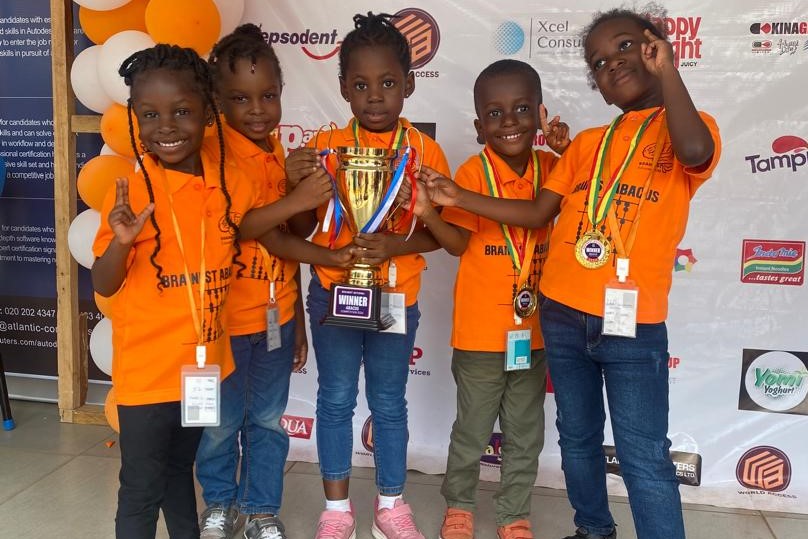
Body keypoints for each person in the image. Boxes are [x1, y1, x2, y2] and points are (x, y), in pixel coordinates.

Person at [423, 7, 721, 539]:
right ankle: (593, 529)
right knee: (577, 439)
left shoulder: (688, 132)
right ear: (598, 87)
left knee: (642, 452)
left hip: (632, 324)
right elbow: (539, 213)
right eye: (600, 61)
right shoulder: (586, 145)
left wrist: (669, 71)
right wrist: (453, 196)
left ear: (657, 47)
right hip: (559, 315)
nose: (614, 64)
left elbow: (695, 150)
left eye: (628, 47)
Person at [91, 44, 349, 539]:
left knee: (179, 469)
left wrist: (325, 252)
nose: (166, 126)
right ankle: (221, 506)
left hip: (205, 360)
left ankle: (242, 513)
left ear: (204, 114)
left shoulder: (225, 179)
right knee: (142, 485)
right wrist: (121, 245)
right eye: (150, 115)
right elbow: (104, 282)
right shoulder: (135, 188)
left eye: (182, 112)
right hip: (148, 372)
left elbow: (267, 235)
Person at [284, 12, 451, 539]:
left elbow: (440, 233)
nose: (374, 96)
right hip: (335, 291)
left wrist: (397, 243)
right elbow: (304, 226)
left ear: (409, 83)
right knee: (334, 399)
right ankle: (336, 512)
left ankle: (390, 505)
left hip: (396, 295)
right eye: (360, 85)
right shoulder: (326, 145)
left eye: (386, 83)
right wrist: (299, 188)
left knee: (388, 403)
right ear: (343, 89)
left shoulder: (424, 152)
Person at [412, 60, 569, 539]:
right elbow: (457, 245)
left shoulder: (554, 171)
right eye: (495, 113)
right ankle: (459, 503)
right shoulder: (471, 172)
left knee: (526, 433)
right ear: (479, 126)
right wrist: (431, 213)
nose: (510, 122)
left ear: (540, 115)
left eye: (522, 109)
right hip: (480, 334)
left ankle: (513, 511)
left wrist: (566, 153)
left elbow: (552, 214)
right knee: (473, 431)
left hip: (535, 331)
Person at [194, 24, 325, 539]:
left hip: (274, 316)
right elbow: (241, 225)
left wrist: (295, 323)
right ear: (216, 100)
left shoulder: (275, 150)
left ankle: (262, 508)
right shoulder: (214, 153)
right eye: (240, 98)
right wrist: (294, 198)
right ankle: (220, 504)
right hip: (223, 320)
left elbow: (294, 235)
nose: (257, 109)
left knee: (269, 422)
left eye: (267, 96)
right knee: (221, 423)